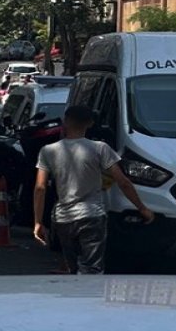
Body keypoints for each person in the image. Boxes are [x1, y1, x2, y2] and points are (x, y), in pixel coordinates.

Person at [32, 105, 154, 274]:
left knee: (72, 268)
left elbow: (40, 188)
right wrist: (142, 208)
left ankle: (73, 294)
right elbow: (123, 182)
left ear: (65, 122)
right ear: (90, 123)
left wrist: (38, 222)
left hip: (63, 218)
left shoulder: (48, 151)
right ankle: (88, 298)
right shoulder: (100, 148)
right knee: (92, 269)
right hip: (92, 215)